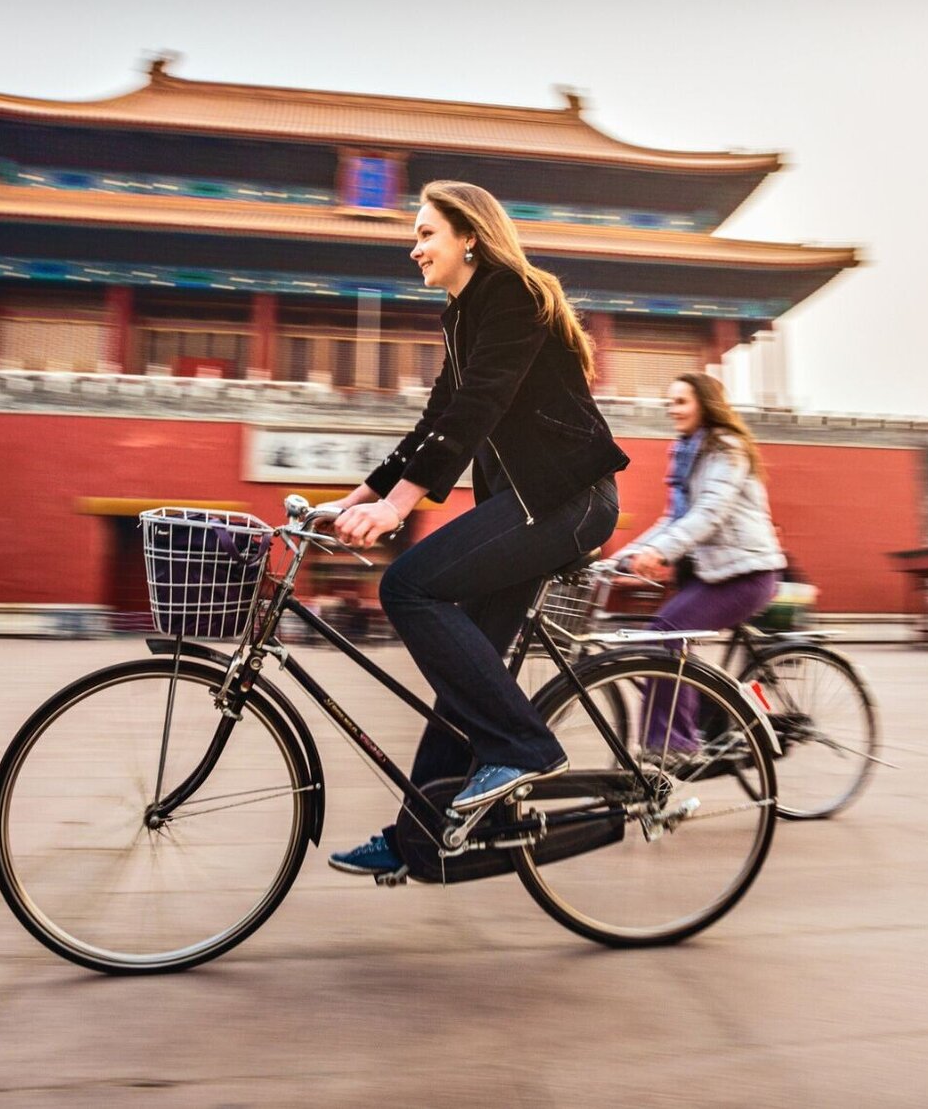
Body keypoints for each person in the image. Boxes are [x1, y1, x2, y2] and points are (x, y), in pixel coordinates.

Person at [324, 180, 628, 879]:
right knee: (467, 675)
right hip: (530, 503)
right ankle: (422, 837)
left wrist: (399, 508)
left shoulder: (512, 295)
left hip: (567, 499)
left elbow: (477, 408)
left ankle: (524, 747)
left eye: (425, 233)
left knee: (408, 587)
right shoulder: (462, 317)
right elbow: (434, 423)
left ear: (469, 236)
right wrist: (355, 498)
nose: (414, 248)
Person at [612, 373, 786, 765]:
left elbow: (709, 512)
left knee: (664, 634)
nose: (672, 410)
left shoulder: (726, 448)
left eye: (681, 401)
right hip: (712, 572)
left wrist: (661, 553)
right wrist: (620, 558)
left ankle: (675, 745)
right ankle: (701, 726)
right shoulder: (686, 450)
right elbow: (674, 519)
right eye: (669, 402)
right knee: (667, 642)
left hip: (745, 573)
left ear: (705, 404)